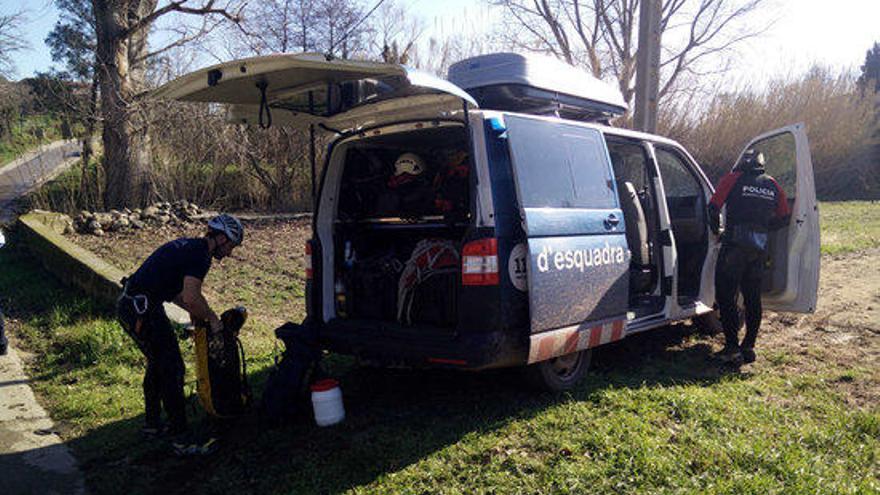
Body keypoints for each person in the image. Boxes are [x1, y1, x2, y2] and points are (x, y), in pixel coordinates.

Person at [116, 214, 243, 454]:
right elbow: (192, 297)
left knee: (158, 364)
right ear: (222, 238)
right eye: (231, 246)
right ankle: (180, 436)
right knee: (172, 367)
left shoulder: (191, 247)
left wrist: (198, 313)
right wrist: (213, 319)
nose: (229, 253)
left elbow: (178, 294)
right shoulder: (201, 256)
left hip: (132, 305)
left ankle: (152, 425)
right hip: (142, 311)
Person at [708, 150, 791, 365]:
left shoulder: (733, 179)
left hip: (734, 247)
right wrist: (763, 228)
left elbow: (713, 207)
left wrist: (717, 231)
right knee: (753, 298)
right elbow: (785, 217)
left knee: (726, 297)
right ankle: (749, 346)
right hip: (758, 249)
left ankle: (732, 348)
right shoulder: (772, 184)